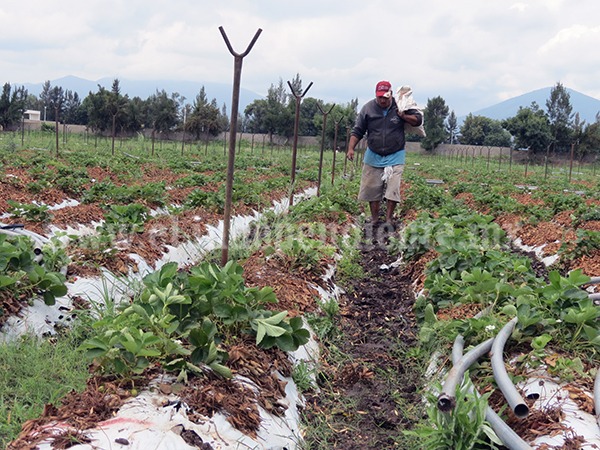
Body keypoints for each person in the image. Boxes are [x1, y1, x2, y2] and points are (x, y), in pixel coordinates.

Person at [347, 80, 423, 230]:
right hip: (373, 153)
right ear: (376, 96)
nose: (382, 100)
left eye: (385, 97)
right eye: (380, 97)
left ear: (391, 95)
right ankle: (374, 219)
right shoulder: (368, 109)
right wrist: (351, 148)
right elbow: (358, 130)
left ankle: (389, 219)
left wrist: (403, 116)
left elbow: (418, 120)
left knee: (393, 188)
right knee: (371, 187)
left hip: (395, 153)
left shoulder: (400, 105)